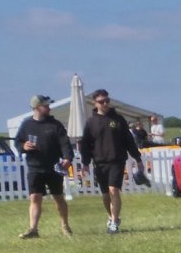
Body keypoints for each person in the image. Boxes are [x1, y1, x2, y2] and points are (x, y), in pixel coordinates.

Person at [79, 88, 145, 234]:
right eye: (101, 101)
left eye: (107, 101)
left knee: (113, 189)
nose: (105, 104)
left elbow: (129, 140)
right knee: (105, 194)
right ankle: (111, 217)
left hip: (117, 160)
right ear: (95, 103)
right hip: (100, 162)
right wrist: (85, 162)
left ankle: (114, 222)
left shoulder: (118, 119)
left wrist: (137, 158)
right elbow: (85, 144)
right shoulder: (90, 123)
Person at [13, 94, 74, 239]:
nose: (48, 107)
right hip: (34, 167)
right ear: (36, 107)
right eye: (45, 105)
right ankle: (33, 229)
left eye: (48, 105)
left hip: (53, 166)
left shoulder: (55, 125)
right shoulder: (26, 125)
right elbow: (18, 142)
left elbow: (65, 143)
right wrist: (23, 145)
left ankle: (65, 226)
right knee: (35, 197)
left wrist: (67, 158)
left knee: (58, 197)